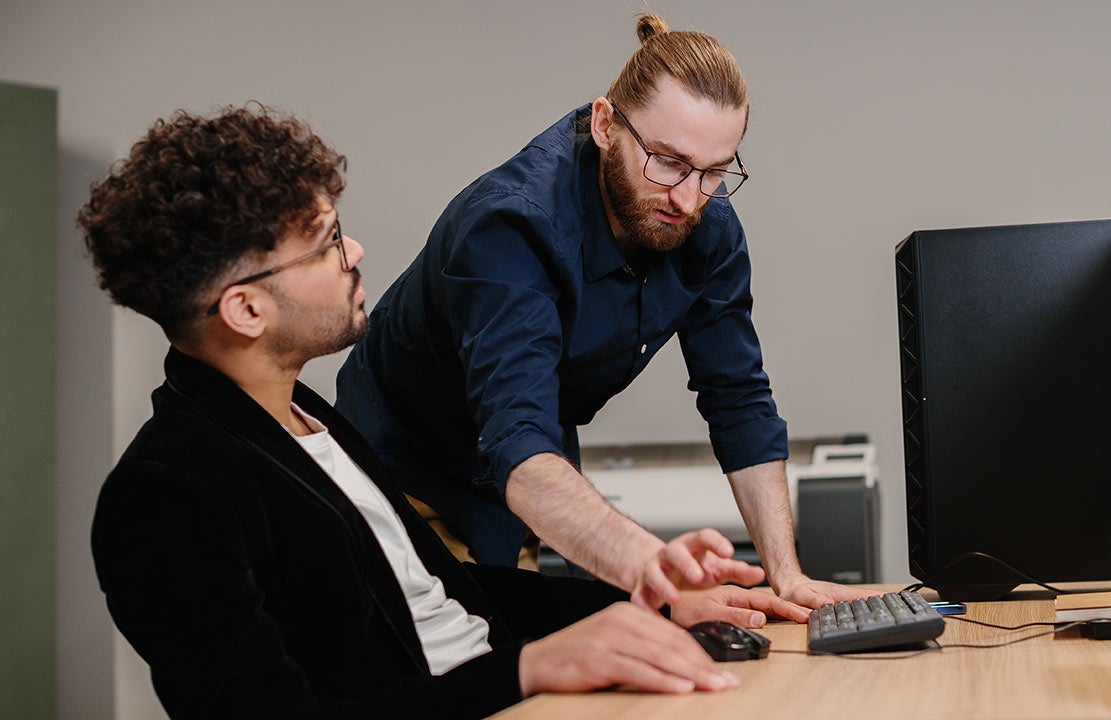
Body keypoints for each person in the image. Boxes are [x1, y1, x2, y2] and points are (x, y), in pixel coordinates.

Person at [82, 105, 798, 719]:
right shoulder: (165, 495)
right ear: (245, 308)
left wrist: (658, 609)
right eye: (327, 243)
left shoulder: (311, 421)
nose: (355, 251)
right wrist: (528, 670)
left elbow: (451, 595)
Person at [337, 14, 872, 614]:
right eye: (667, 162)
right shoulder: (511, 227)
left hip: (528, 472)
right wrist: (660, 581)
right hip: (406, 474)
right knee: (457, 662)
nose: (688, 198)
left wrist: (787, 575)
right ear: (604, 123)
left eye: (715, 172)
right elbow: (516, 434)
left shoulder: (706, 222)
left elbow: (738, 397)